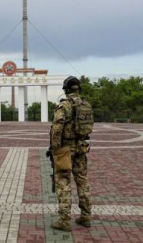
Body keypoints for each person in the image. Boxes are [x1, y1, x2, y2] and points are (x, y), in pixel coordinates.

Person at [50, 76, 93, 231]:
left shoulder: (64, 106)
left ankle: (64, 219)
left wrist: (55, 148)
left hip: (65, 149)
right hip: (81, 148)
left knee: (63, 181)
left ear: (66, 89)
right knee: (82, 181)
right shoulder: (86, 105)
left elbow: (56, 129)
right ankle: (86, 216)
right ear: (78, 89)